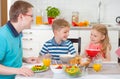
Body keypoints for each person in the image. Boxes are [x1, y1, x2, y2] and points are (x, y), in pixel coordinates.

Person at [0, 1, 39, 79]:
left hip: (18, 76)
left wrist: (25, 59)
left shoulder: (18, 32)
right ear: (21, 17)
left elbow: (9, 56)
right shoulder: (2, 36)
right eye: (31, 16)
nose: (33, 19)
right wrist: (18, 71)